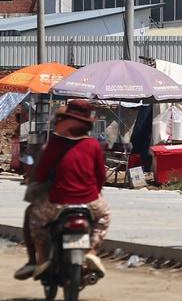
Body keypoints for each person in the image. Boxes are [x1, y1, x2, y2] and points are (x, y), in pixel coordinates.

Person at [14, 99, 110, 280]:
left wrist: (33, 181)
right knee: (104, 217)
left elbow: (40, 175)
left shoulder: (51, 146)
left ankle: (39, 259)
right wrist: (95, 192)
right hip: (89, 201)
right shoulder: (93, 145)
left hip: (57, 201)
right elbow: (100, 176)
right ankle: (91, 251)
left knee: (34, 217)